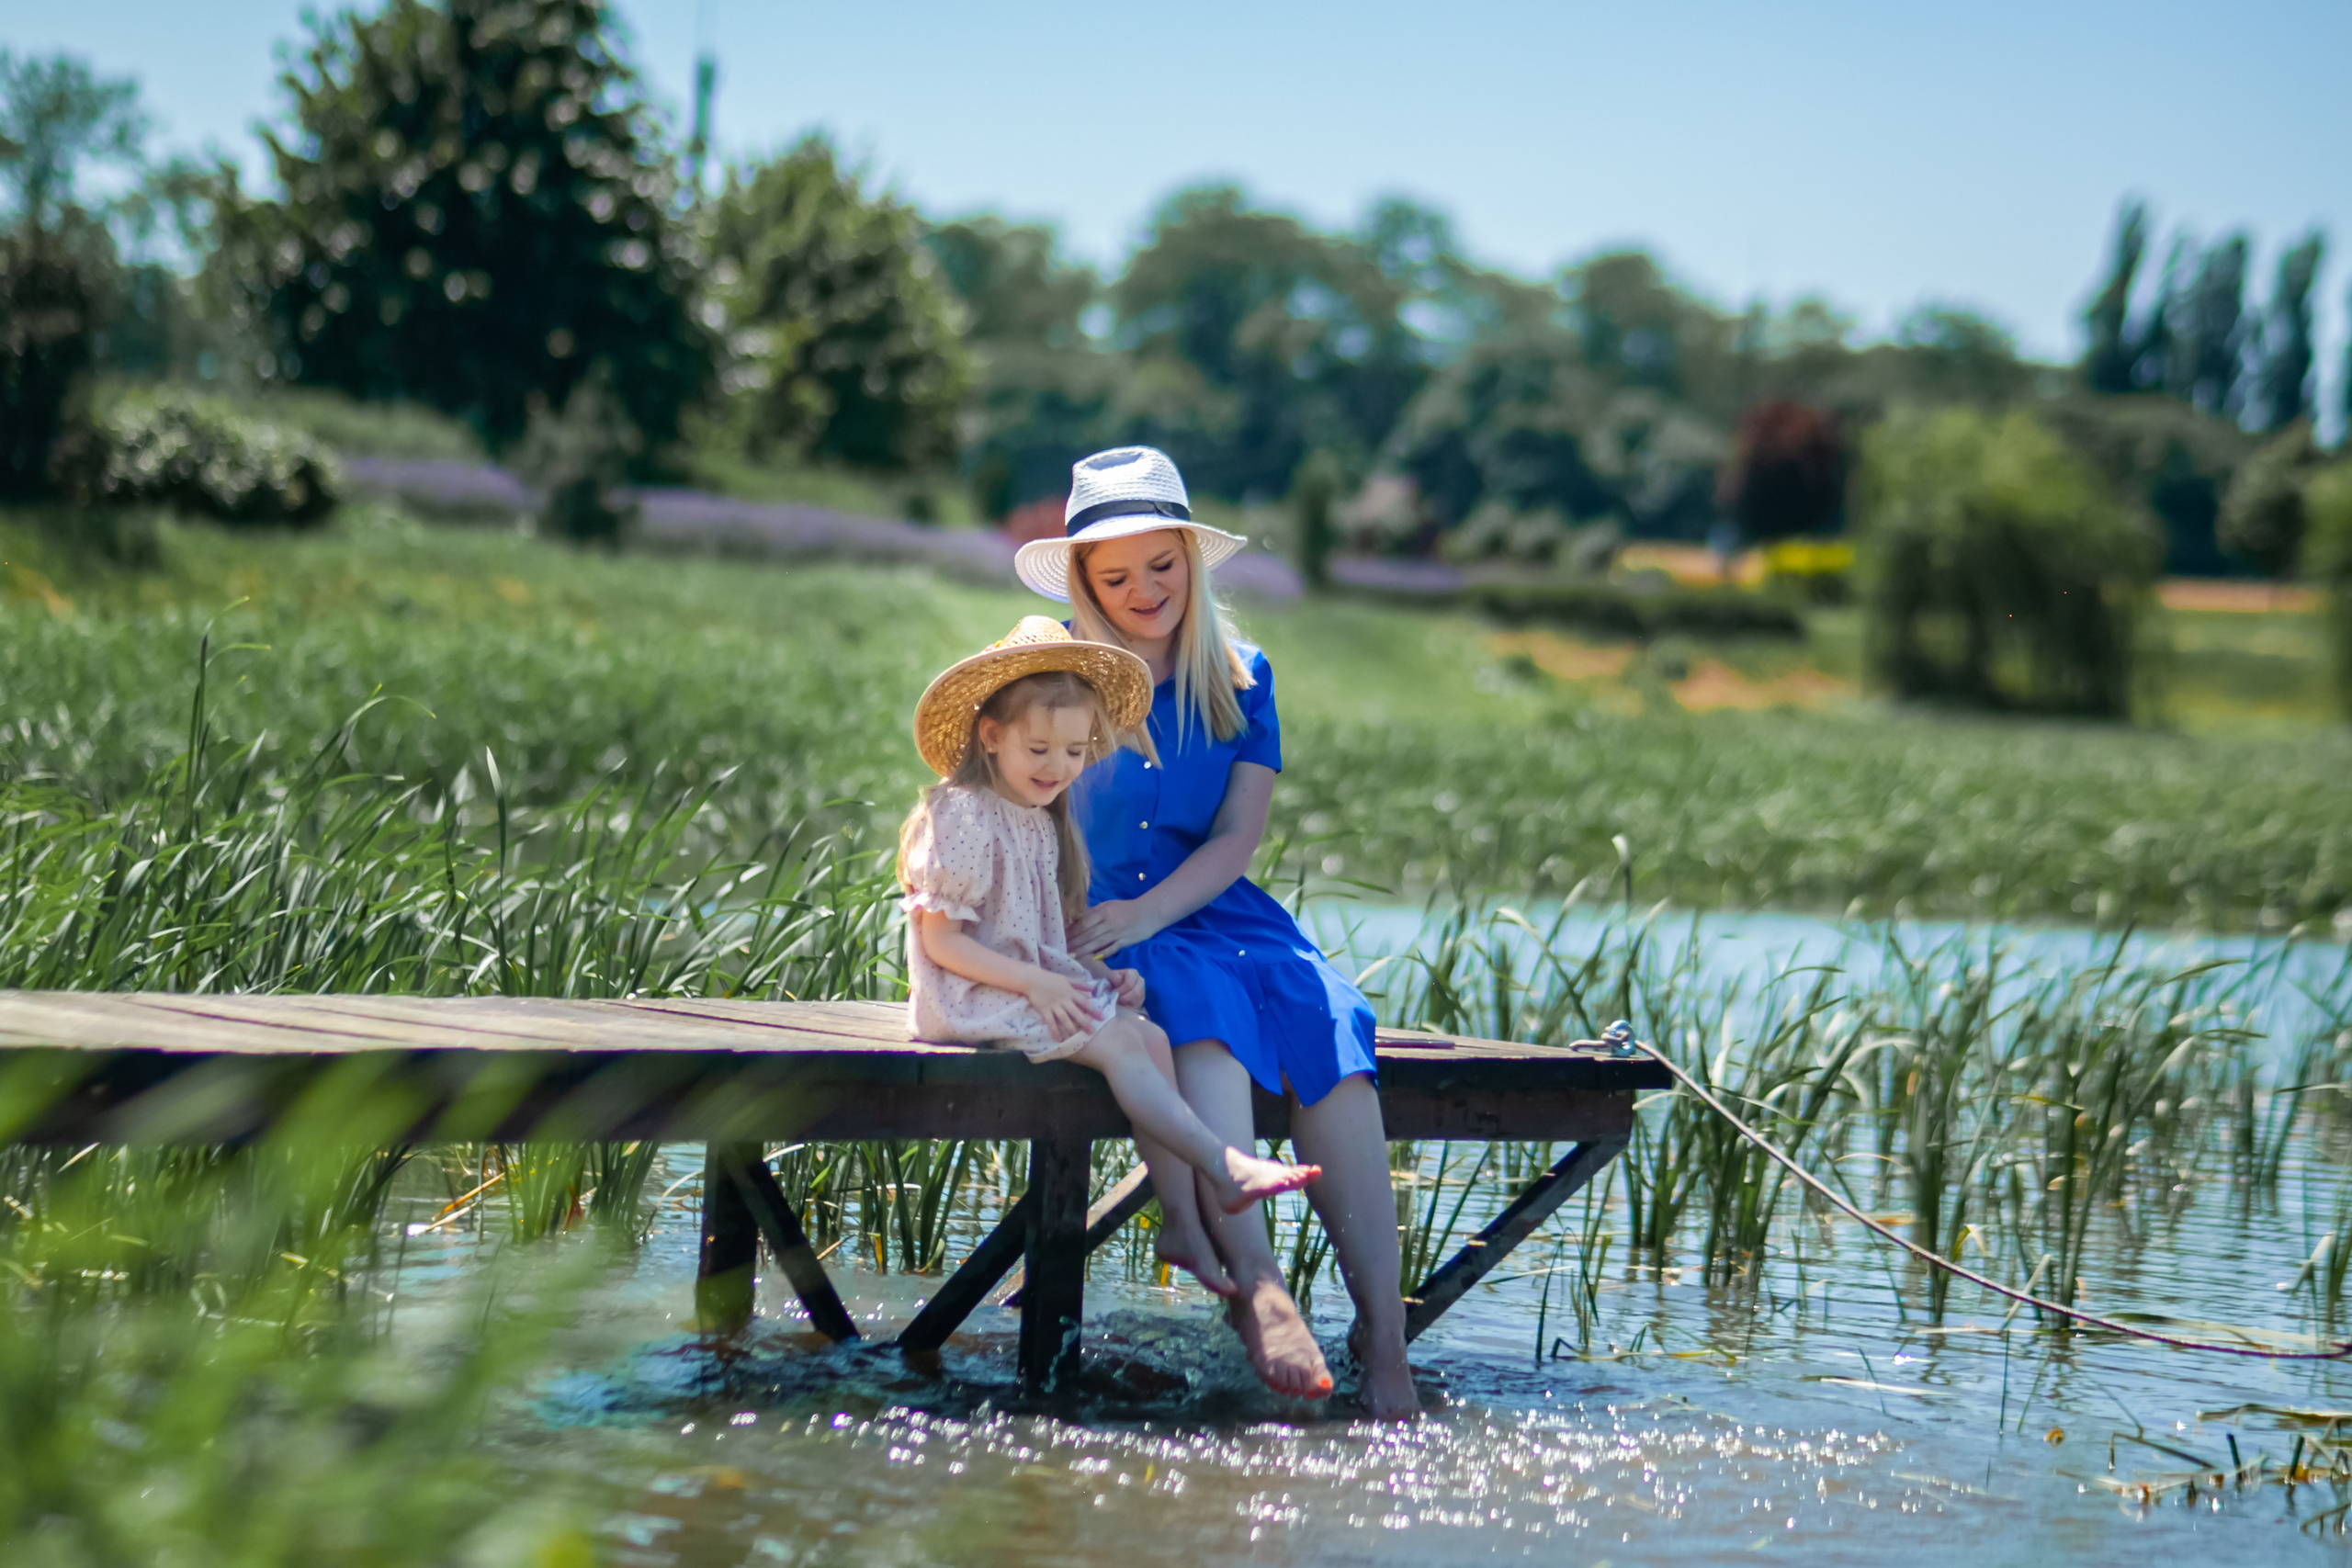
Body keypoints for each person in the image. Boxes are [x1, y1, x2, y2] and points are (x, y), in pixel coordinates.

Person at [1015, 446, 1421, 1418]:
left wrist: (1154, 911)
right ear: (1084, 582)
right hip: (1095, 914)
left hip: (1211, 904)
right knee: (1197, 1005)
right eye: (1115, 576)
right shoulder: (1049, 669)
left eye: (1162, 565)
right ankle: (1259, 1286)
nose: (1143, 590)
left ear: (1191, 562)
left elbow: (1237, 835)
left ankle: (1384, 1332)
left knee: (1328, 1017)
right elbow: (1008, 805)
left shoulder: (1243, 676)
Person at [898, 615, 1323, 1300]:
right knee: (1122, 1045)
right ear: (992, 735)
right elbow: (942, 943)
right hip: (970, 995)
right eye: (1039, 748)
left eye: (1075, 752)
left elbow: (1035, 934)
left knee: (1147, 1034)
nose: (1058, 768)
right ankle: (1225, 1166)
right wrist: (1039, 984)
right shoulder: (964, 815)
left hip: (1025, 984)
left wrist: (1097, 974)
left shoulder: (1040, 820)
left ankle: (1182, 1222)